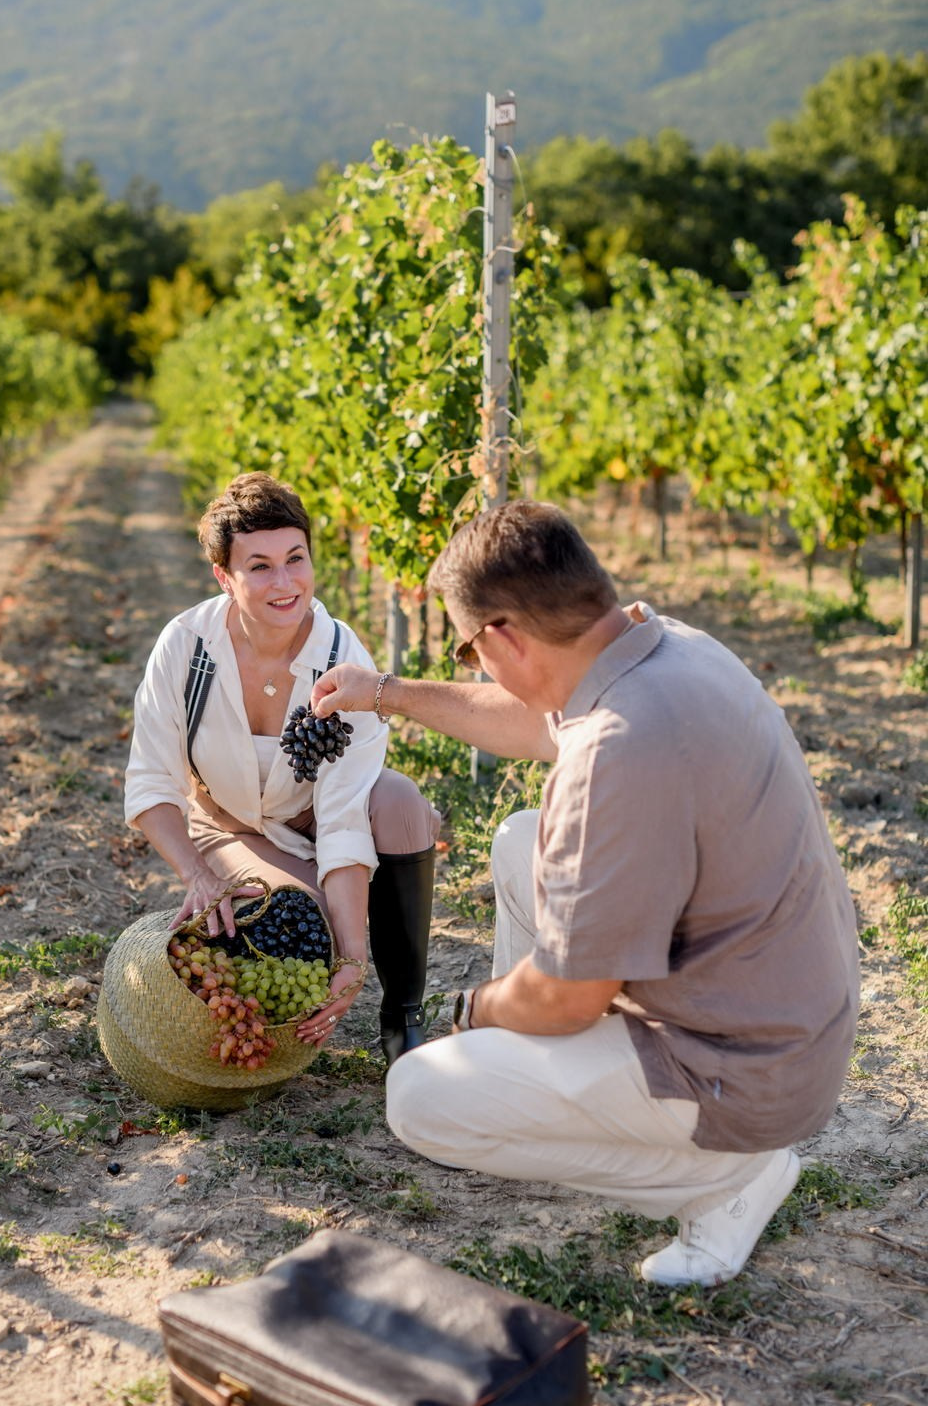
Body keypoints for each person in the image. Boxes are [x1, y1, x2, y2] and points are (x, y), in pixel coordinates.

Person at [311, 499, 860, 1287]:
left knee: (423, 1095)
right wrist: (384, 691)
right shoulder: (665, 651)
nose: (478, 667)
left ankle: (730, 1179)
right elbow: (529, 721)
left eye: (471, 652)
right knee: (519, 843)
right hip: (789, 1013)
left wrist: (476, 1010)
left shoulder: (616, 752)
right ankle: (554, 1076)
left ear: (504, 636)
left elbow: (570, 997)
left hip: (742, 1073)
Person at [124, 472, 439, 1062]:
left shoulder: (342, 657)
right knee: (299, 927)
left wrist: (354, 957)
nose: (285, 582)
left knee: (399, 804)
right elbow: (151, 781)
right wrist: (198, 873)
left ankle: (403, 1013)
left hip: (315, 815)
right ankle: (308, 937)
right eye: (260, 566)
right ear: (225, 576)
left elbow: (344, 810)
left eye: (295, 559)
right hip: (232, 824)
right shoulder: (186, 649)